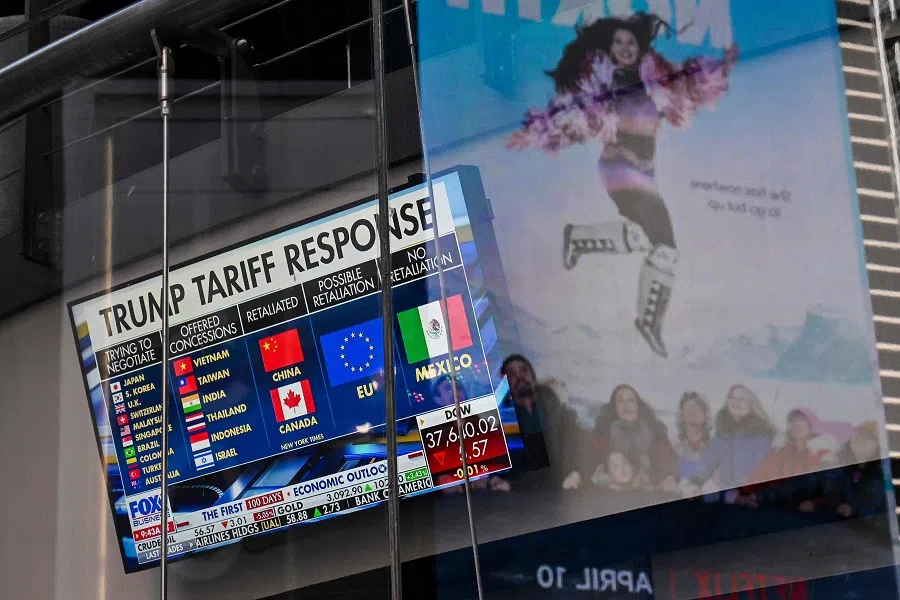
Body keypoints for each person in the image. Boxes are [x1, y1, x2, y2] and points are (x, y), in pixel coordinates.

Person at [508, 12, 738, 357]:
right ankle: (648, 323)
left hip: (646, 171)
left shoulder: (657, 76)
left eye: (631, 42)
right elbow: (570, 118)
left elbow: (690, 87)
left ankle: (579, 239)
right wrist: (533, 134)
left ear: (639, 45)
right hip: (619, 166)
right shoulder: (601, 82)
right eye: (618, 43)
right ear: (609, 48)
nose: (625, 48)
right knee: (666, 247)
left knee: (650, 241)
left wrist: (723, 67)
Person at [502, 354, 591, 490]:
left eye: (524, 371)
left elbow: (581, 444)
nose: (519, 377)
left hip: (567, 486)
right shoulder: (504, 423)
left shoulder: (559, 411)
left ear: (533, 376)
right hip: (526, 493)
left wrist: (577, 472)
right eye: (512, 374)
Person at [687, 384, 775, 494]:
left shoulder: (762, 434)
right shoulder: (723, 433)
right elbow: (708, 461)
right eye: (732, 398)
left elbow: (761, 471)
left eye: (742, 399)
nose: (736, 403)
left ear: (751, 404)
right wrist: (695, 481)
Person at [593, 384, 679, 492]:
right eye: (620, 401)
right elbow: (591, 461)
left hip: (648, 491)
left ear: (638, 405)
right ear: (614, 408)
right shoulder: (603, 433)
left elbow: (667, 460)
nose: (626, 405)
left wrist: (669, 477)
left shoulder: (654, 430)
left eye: (631, 400)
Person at [824, 421, 886, 519]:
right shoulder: (840, 465)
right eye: (858, 436)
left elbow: (875, 500)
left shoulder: (884, 471)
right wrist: (837, 504)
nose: (861, 441)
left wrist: (853, 508)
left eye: (868, 438)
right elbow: (830, 490)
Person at [674, 391, 712, 490]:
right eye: (688, 409)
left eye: (696, 409)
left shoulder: (715, 446)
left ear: (705, 415)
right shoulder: (674, 446)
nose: (692, 414)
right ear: (682, 415)